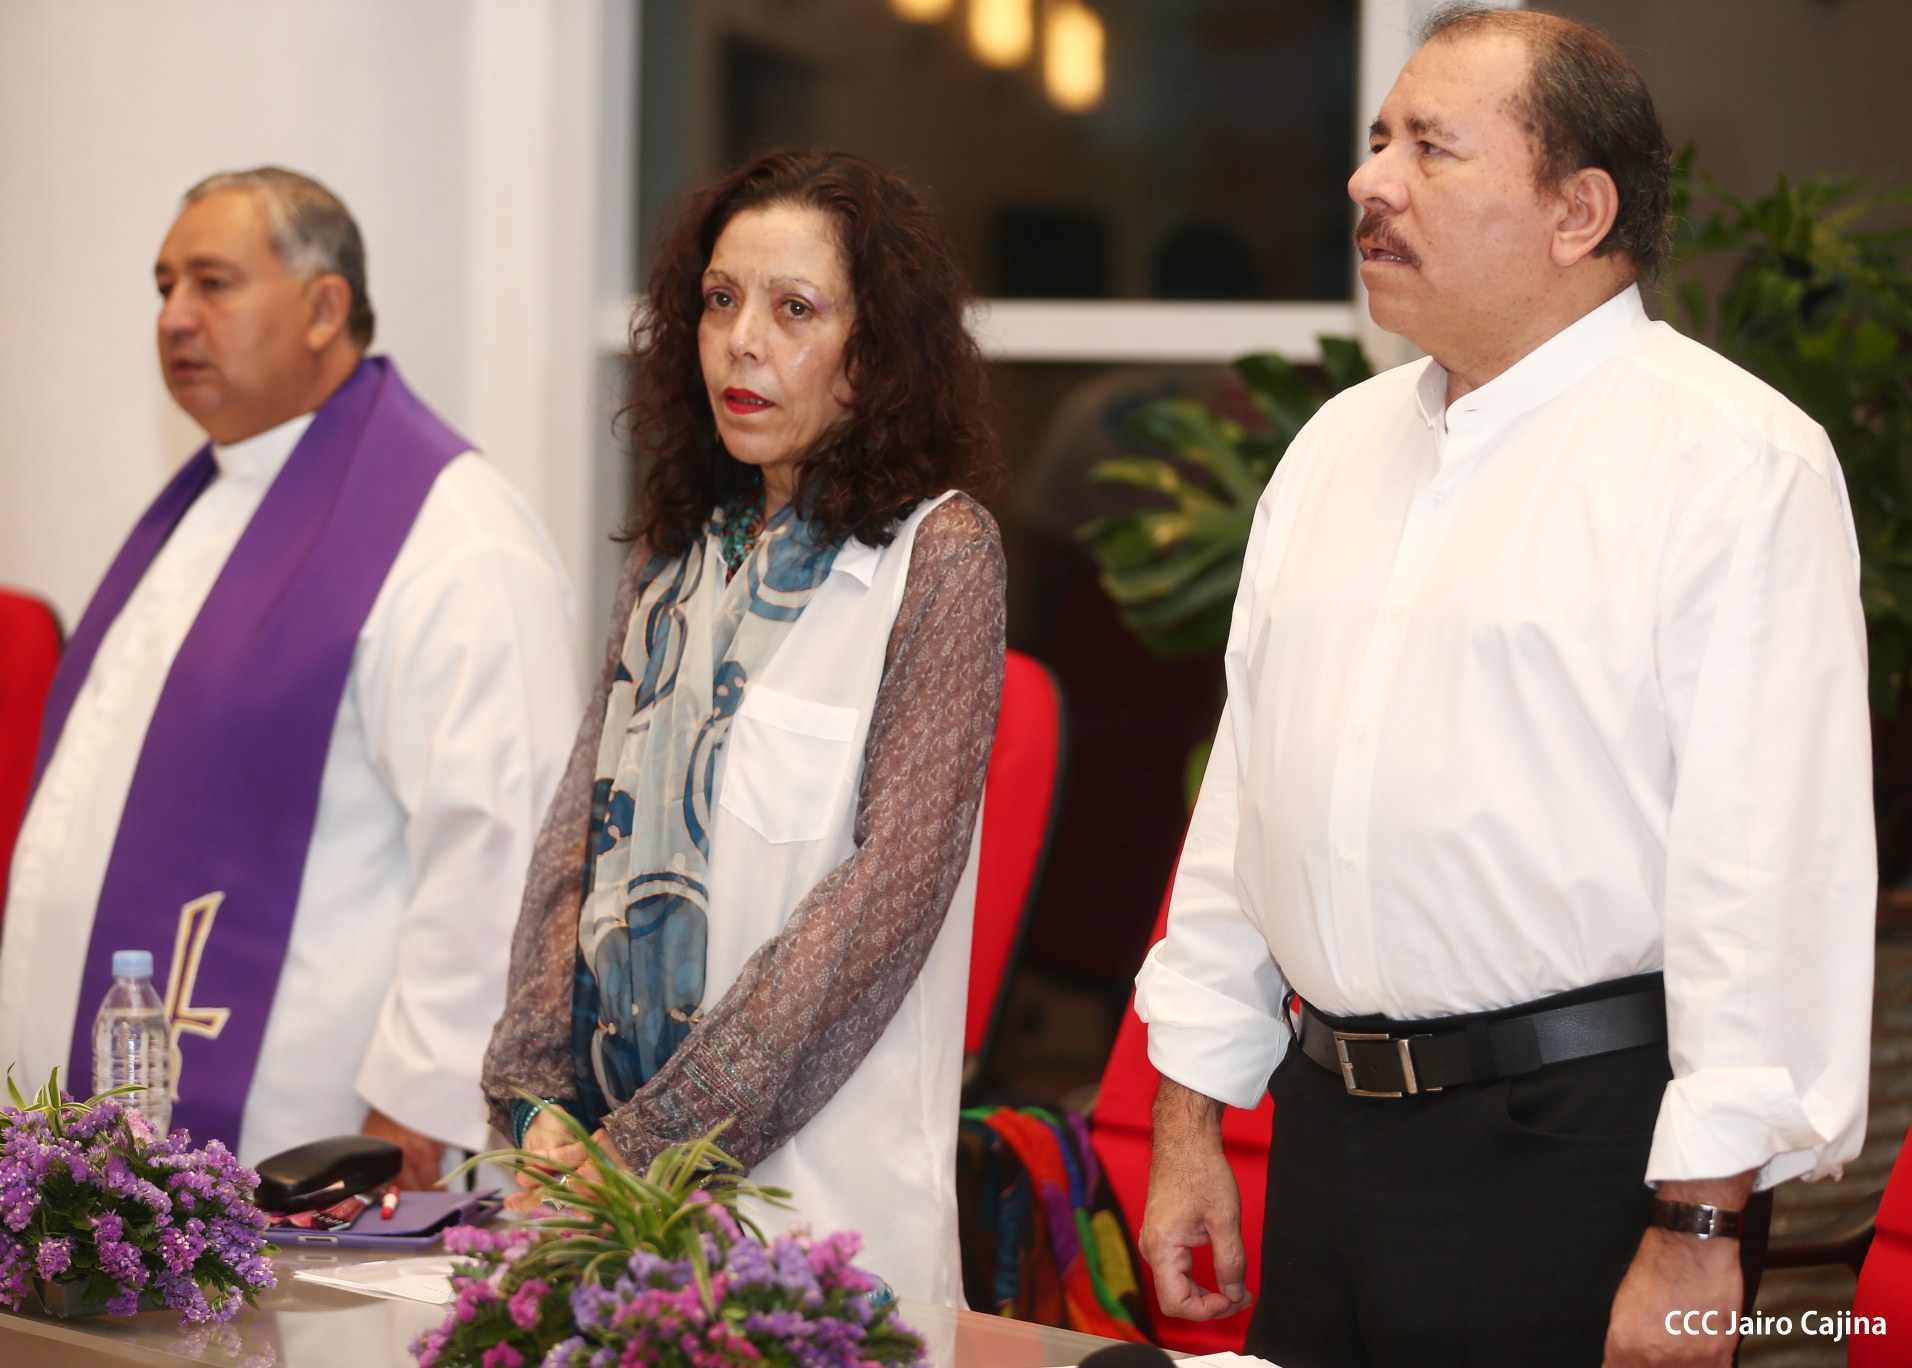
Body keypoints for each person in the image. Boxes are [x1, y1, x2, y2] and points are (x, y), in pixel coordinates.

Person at [1133, 7, 1874, 1367]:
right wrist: (1190, 1123)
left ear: (1577, 212)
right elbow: (1249, 806)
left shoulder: (1732, 461)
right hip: (1327, 1127)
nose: (1369, 179)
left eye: (1430, 147)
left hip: (1579, 1153)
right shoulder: (1336, 446)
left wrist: (1699, 1229)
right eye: (1377, 141)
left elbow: (1765, 876)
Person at [481, 148, 1006, 1306]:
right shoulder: (673, 552)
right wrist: (539, 1102)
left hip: (807, 1203)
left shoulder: (937, 554)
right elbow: (579, 837)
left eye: (794, 309)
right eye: (719, 301)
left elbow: (887, 896)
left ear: (875, 354)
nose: (741, 342)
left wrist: (653, 1144)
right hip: (597, 1185)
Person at [0, 168, 579, 1188]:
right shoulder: (204, 508)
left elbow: (503, 853)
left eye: (213, 283)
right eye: (165, 286)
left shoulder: (455, 535)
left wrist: (414, 1119)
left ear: (324, 308)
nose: (175, 317)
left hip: (318, 1159)